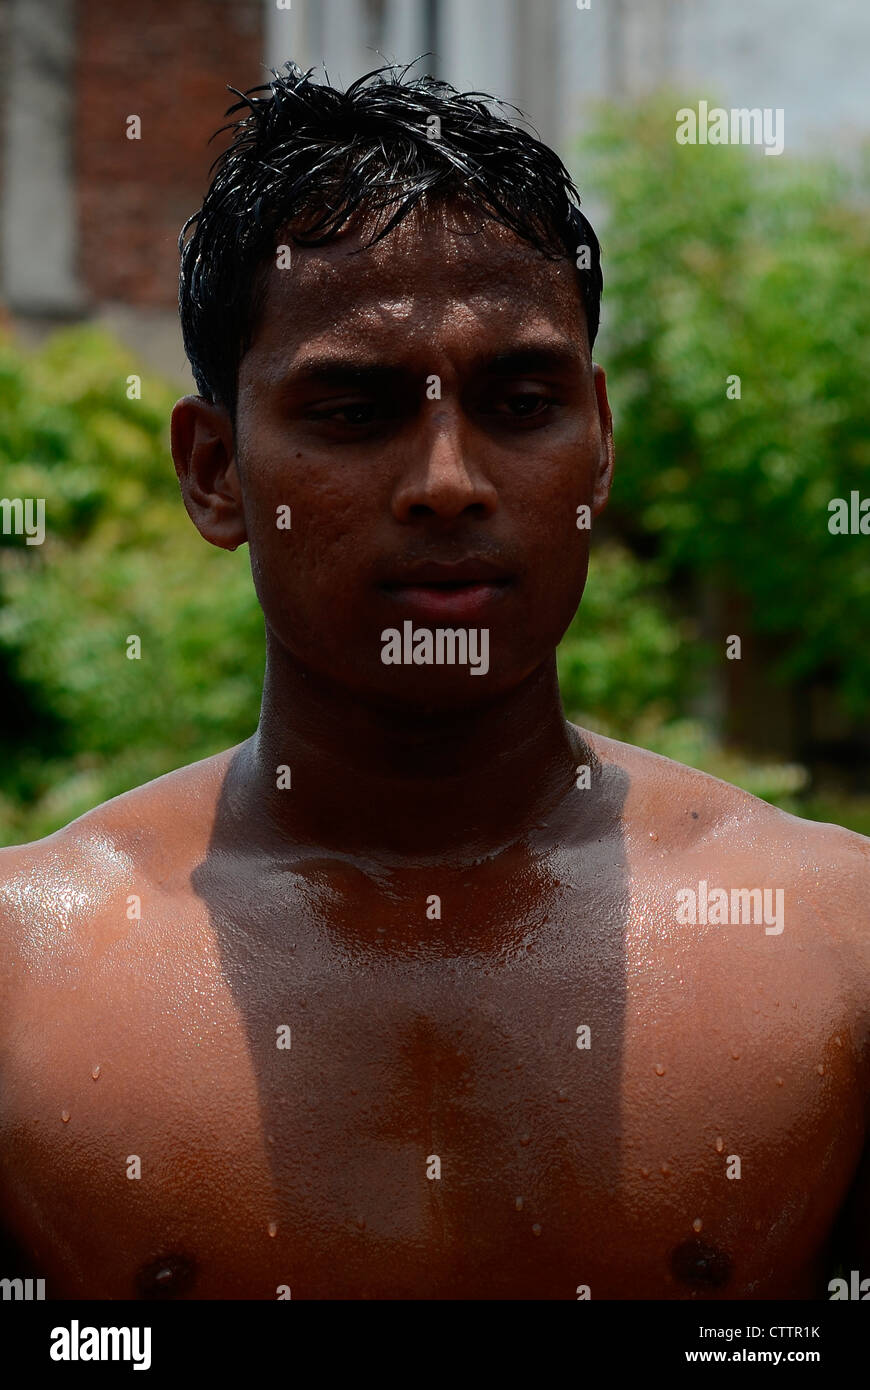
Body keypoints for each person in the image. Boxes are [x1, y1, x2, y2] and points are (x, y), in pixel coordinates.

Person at [0, 62, 867, 1301]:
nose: (450, 479)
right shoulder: (25, 979)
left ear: (600, 445)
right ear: (213, 472)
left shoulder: (834, 945)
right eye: (354, 411)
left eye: (520, 402)